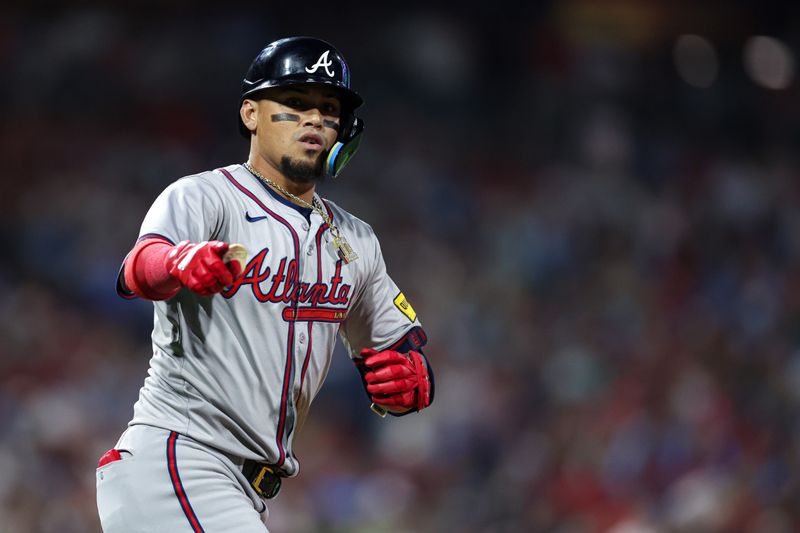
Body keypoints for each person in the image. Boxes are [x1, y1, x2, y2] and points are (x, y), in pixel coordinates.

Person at [95, 36, 434, 532]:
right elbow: (138, 268)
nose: (315, 119)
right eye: (295, 104)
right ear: (251, 114)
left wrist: (413, 380)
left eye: (328, 108)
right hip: (177, 462)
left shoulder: (356, 240)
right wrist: (179, 261)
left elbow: (400, 349)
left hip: (242, 489)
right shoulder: (206, 196)